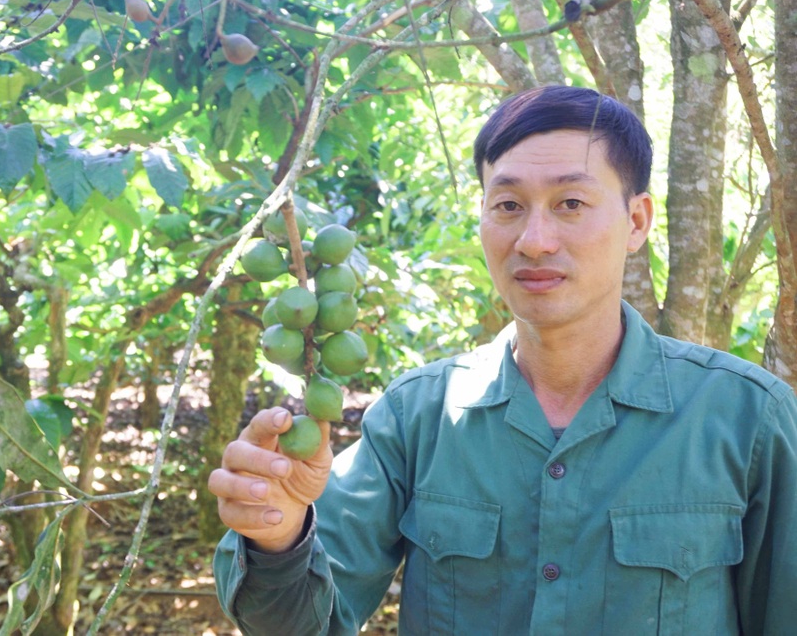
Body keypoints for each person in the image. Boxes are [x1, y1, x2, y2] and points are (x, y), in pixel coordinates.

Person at [207, 85, 797, 635]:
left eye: (570, 202)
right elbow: (299, 623)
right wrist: (279, 538)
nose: (534, 240)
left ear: (637, 221)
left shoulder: (747, 420)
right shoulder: (419, 417)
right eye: (509, 204)